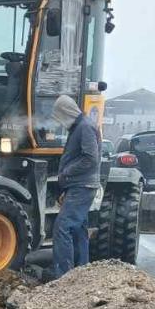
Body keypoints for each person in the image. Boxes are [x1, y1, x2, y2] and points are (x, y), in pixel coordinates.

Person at [50, 93, 102, 279]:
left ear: (66, 112)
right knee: (79, 229)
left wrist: (66, 173)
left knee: (62, 227)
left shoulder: (84, 127)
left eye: (59, 116)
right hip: (80, 185)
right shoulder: (80, 126)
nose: (60, 122)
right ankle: (81, 273)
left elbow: (90, 158)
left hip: (83, 185)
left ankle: (63, 277)